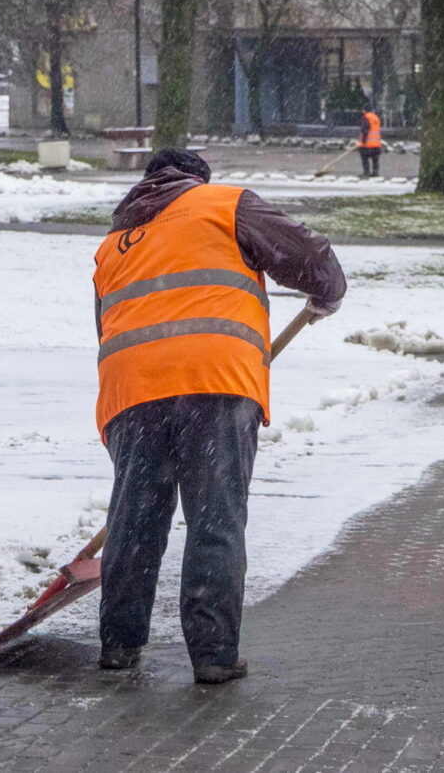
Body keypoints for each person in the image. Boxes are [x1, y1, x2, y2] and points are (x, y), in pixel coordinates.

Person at [92, 148, 346, 684]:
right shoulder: (223, 204)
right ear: (196, 179)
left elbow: (108, 328)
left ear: (148, 185)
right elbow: (310, 254)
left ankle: (119, 642)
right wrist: (326, 293)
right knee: (214, 517)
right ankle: (212, 654)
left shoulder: (113, 244)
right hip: (214, 380)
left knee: (135, 518)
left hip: (131, 389)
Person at [358, 109, 383, 177]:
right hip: (376, 144)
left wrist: (363, 140)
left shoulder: (366, 117)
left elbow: (365, 129)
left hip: (367, 144)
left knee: (365, 159)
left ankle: (366, 173)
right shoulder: (376, 117)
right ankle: (375, 172)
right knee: (375, 160)